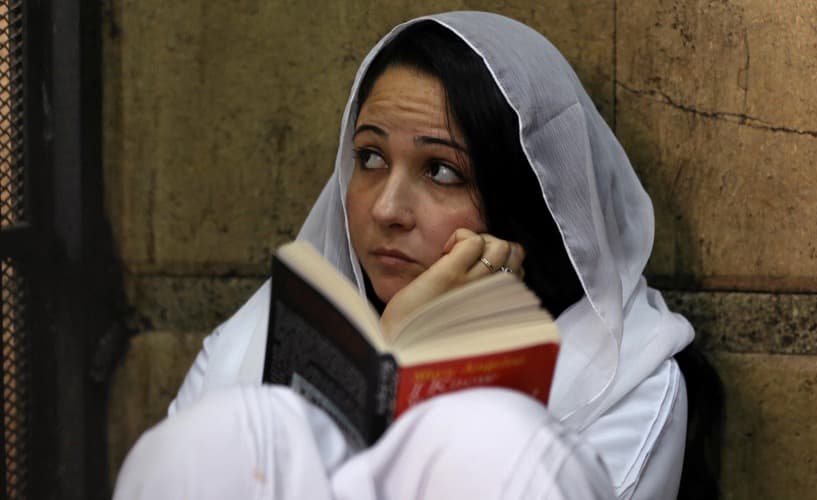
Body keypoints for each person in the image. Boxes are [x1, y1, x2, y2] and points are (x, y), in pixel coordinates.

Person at [114, 11, 696, 500]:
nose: (387, 208)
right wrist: (390, 350)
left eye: (441, 171)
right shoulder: (260, 332)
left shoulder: (624, 380)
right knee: (234, 430)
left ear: (523, 201)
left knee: (497, 436)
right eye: (369, 158)